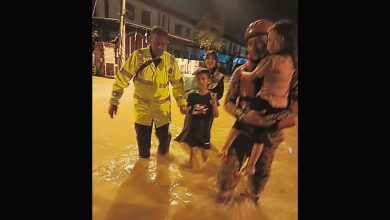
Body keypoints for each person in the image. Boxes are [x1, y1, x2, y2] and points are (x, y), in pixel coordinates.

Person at [216, 19, 298, 204]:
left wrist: (275, 122)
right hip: (244, 129)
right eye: (251, 43)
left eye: (262, 41)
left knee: (258, 180)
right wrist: (244, 115)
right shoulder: (240, 72)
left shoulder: (289, 71)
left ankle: (251, 200)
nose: (256, 47)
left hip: (269, 136)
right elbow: (228, 102)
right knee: (226, 175)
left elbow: (296, 105)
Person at [108, 26, 187, 159]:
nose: (160, 47)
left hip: (162, 111)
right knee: (143, 151)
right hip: (142, 111)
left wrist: (182, 103)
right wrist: (114, 101)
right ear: (150, 40)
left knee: (163, 143)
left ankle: (163, 151)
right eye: (157, 43)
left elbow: (178, 85)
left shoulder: (171, 61)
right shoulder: (137, 56)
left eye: (163, 44)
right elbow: (121, 79)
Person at [174, 50, 225, 148]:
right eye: (208, 59)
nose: (210, 61)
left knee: (204, 129)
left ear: (216, 61)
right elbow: (189, 84)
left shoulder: (219, 76)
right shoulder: (198, 71)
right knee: (189, 125)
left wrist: (209, 97)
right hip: (194, 102)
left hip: (208, 105)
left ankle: (202, 141)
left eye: (212, 59)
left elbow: (220, 94)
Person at [175, 68, 219, 169]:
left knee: (205, 155)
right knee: (193, 153)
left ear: (209, 81)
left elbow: (216, 115)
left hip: (205, 132)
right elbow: (185, 112)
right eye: (198, 79)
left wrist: (214, 105)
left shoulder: (212, 96)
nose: (200, 81)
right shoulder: (191, 95)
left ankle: (207, 170)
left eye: (203, 79)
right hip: (192, 130)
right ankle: (192, 177)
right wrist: (183, 109)